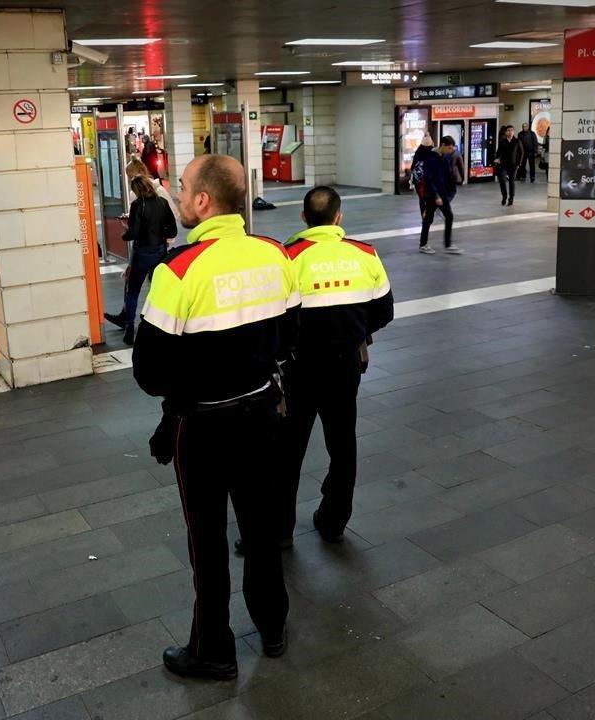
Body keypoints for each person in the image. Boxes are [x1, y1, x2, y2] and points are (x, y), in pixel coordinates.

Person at [133, 154, 296, 680]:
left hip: (202, 428)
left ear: (203, 201)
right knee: (263, 528)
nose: (177, 195)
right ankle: (273, 627)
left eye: (181, 188)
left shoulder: (177, 270)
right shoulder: (275, 254)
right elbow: (289, 337)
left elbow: (150, 371)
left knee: (207, 539)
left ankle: (213, 650)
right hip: (263, 417)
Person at [240, 186, 393, 553]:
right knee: (343, 445)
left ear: (304, 218)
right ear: (339, 218)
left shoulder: (289, 257)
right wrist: (354, 333)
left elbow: (274, 316)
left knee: (288, 450)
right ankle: (333, 520)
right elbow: (383, 311)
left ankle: (280, 531)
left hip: (299, 369)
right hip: (345, 369)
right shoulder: (364, 254)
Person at [104, 175, 177, 345]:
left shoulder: (138, 205)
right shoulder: (162, 203)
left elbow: (134, 233)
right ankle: (156, 324)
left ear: (137, 189)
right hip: (160, 251)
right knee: (157, 289)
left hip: (142, 252)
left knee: (133, 290)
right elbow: (172, 230)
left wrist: (124, 231)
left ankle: (129, 327)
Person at [410, 134, 445, 254]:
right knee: (427, 218)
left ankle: (423, 242)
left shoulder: (418, 155)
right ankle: (423, 244)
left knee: (426, 217)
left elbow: (413, 172)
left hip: (423, 191)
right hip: (429, 192)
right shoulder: (430, 156)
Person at [437, 135, 464, 254]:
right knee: (448, 216)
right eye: (449, 148)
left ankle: (425, 243)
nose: (451, 150)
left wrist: (460, 179)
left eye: (452, 148)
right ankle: (447, 245)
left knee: (430, 218)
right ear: (443, 145)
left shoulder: (447, 156)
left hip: (444, 189)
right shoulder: (435, 157)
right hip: (438, 191)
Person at [493, 125, 523, 206]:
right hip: (503, 164)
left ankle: (511, 198)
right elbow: (498, 152)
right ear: (506, 132)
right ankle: (504, 196)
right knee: (502, 181)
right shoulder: (502, 141)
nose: (510, 132)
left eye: (511, 130)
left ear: (514, 132)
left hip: (513, 165)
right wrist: (496, 159)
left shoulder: (517, 141)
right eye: (508, 130)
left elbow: (521, 153)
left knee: (511, 182)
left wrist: (518, 163)